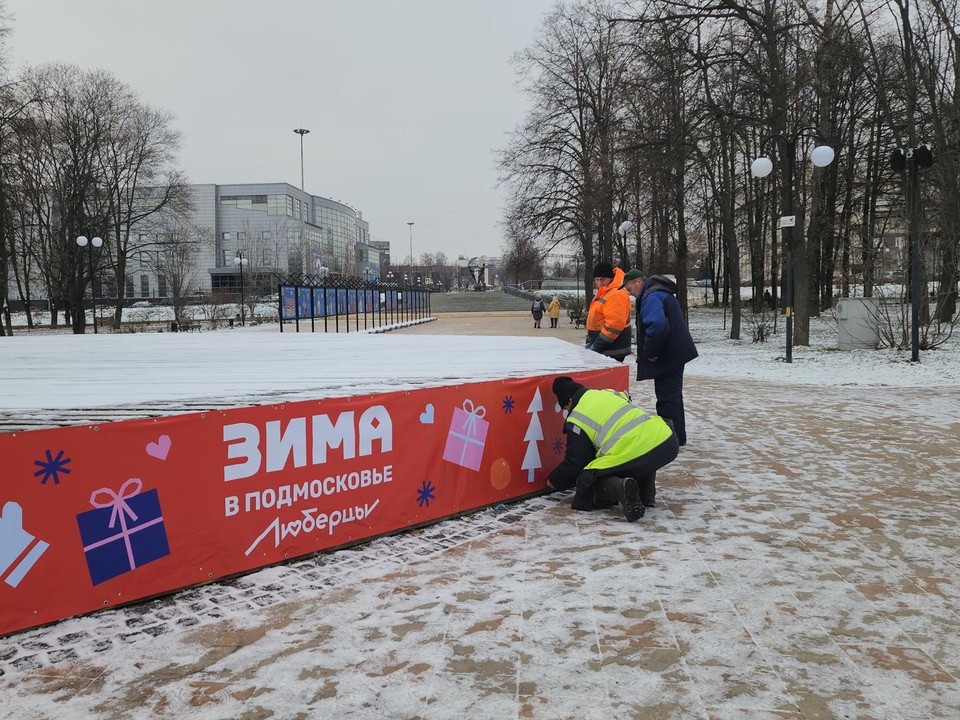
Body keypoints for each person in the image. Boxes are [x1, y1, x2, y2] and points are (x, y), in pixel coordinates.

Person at [547, 376, 679, 522]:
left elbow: (576, 462)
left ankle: (621, 488)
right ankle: (646, 495)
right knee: (640, 454)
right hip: (665, 439)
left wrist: (554, 481)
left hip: (637, 448)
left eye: (565, 407)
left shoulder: (577, 417)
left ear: (570, 401)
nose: (567, 411)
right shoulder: (607, 393)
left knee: (589, 477)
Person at [621, 269, 698, 446]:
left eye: (630, 288)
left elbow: (657, 327)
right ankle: (677, 436)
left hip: (667, 355)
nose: (630, 293)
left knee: (666, 397)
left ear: (639, 282)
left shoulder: (651, 297)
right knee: (672, 395)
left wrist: (651, 352)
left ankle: (669, 439)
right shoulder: (658, 293)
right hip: (675, 353)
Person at [585, 261, 632, 362]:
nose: (599, 283)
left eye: (602, 279)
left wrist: (596, 346)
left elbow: (614, 325)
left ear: (611, 278)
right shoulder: (605, 292)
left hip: (612, 348)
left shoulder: (616, 294)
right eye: (597, 280)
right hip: (607, 347)